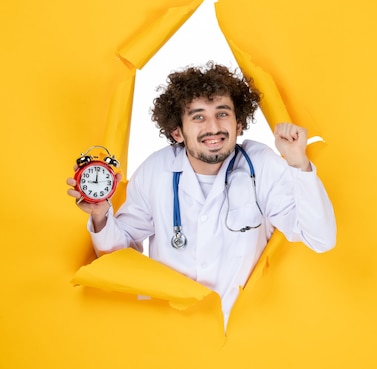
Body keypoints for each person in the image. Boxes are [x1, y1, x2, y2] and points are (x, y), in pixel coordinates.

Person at [67, 62, 336, 326]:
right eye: (198, 116)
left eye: (222, 113)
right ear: (177, 131)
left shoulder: (261, 165)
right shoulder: (156, 170)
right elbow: (121, 254)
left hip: (241, 333)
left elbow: (320, 238)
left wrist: (299, 164)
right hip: (170, 332)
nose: (213, 127)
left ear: (239, 124)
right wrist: (101, 215)